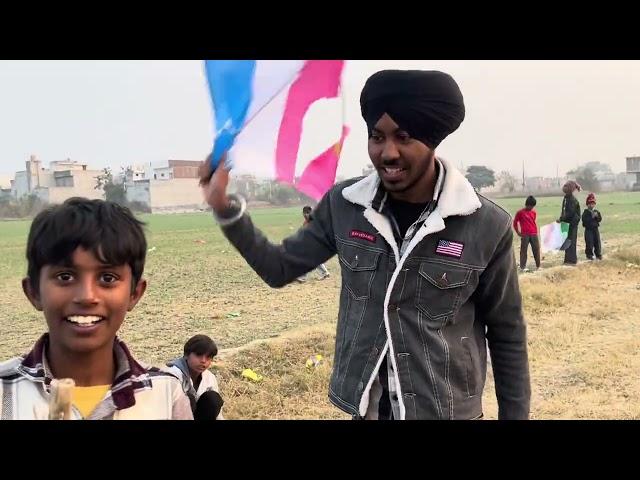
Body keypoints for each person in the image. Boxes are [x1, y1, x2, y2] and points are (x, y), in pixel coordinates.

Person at [200, 69, 530, 420]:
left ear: (432, 140)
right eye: (376, 137)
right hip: (368, 410)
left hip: (446, 410)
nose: (387, 152)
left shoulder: (483, 223)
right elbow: (279, 268)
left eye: (403, 137)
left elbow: (507, 332)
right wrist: (224, 207)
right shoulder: (345, 206)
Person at [0, 198, 192, 420]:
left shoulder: (165, 394)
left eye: (107, 278)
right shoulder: (5, 392)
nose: (87, 297)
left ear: (134, 294)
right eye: (65, 276)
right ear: (33, 291)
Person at [166, 334, 224, 420]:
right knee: (188, 399)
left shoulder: (209, 378)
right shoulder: (172, 375)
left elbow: (217, 414)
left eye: (208, 357)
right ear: (186, 355)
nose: (203, 361)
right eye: (199, 355)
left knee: (213, 399)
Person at [296, 206, 330, 282]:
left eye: (307, 213)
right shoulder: (306, 222)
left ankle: (302, 277)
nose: (305, 215)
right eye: (304, 213)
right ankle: (325, 272)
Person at [513, 195, 541, 271]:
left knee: (536, 250)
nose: (531, 208)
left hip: (534, 233)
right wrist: (518, 232)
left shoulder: (534, 212)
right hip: (525, 234)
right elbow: (515, 223)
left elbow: (533, 221)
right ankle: (522, 267)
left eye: (533, 206)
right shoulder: (520, 212)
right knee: (523, 251)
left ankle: (538, 266)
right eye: (530, 206)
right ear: (526, 204)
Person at [558, 180, 581, 265]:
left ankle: (571, 260)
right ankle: (568, 259)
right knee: (567, 241)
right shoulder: (566, 198)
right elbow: (564, 210)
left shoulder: (572, 200)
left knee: (571, 241)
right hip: (567, 223)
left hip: (572, 223)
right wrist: (562, 218)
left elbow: (570, 213)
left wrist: (561, 219)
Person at [582, 192, 603, 261]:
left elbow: (600, 219)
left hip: (595, 229)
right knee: (589, 243)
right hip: (588, 230)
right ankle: (589, 255)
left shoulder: (596, 211)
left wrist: (597, 217)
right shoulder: (585, 212)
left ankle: (598, 254)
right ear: (587, 204)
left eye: (593, 204)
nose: (591, 205)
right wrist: (591, 217)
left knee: (597, 242)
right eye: (590, 204)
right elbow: (584, 221)